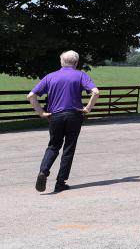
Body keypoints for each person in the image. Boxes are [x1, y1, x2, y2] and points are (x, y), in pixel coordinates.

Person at [27, 51, 99, 193]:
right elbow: (95, 92)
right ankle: (60, 182)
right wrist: (88, 108)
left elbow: (31, 95)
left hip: (55, 116)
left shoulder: (50, 76)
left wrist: (41, 113)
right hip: (74, 115)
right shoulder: (81, 75)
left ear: (61, 62)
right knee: (69, 148)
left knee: (53, 146)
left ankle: (43, 171)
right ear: (76, 63)